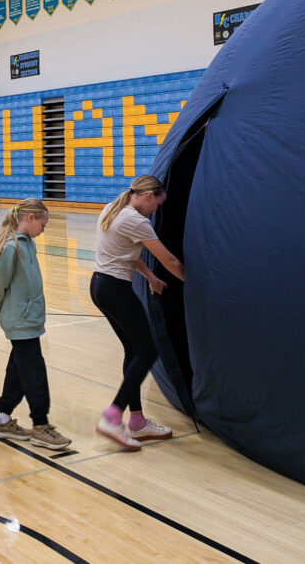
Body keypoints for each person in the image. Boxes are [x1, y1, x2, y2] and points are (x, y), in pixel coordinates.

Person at [91, 175, 185, 451]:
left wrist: (150, 279)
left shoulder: (112, 208)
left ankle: (137, 421)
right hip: (115, 289)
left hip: (100, 286)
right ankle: (112, 416)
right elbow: (168, 259)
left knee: (134, 351)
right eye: (158, 203)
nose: (157, 209)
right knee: (148, 352)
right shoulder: (136, 220)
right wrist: (191, 285)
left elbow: (128, 254)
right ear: (148, 196)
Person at [0, 199, 71, 450]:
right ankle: (41, 425)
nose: (44, 228)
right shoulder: (12, 248)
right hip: (19, 319)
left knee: (19, 368)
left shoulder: (28, 243)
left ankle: (3, 418)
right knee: (34, 371)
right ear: (31, 218)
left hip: (28, 318)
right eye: (43, 223)